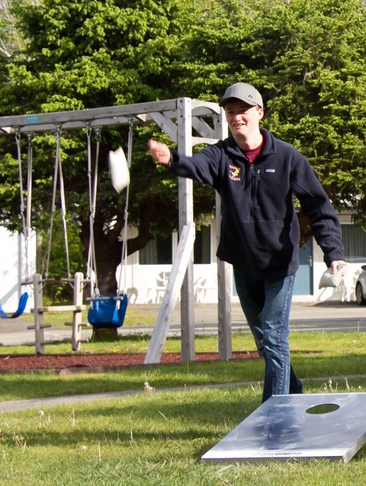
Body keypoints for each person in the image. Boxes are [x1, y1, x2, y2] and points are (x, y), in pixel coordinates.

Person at [148, 82, 345, 402]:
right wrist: (172, 160)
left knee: (274, 336)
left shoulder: (286, 156)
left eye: (243, 111)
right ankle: (294, 395)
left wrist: (333, 251)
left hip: (280, 264)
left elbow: (318, 206)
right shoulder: (221, 154)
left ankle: (275, 414)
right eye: (230, 112)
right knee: (265, 341)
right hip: (244, 263)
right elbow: (198, 167)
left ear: (259, 113)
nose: (237, 117)